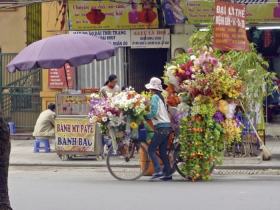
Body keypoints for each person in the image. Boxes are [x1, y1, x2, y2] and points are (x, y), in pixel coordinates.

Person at [144, 77, 172, 181]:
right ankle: (168, 174)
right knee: (162, 151)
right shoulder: (160, 97)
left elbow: (154, 112)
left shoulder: (155, 97)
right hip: (167, 127)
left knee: (151, 149)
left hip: (162, 128)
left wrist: (145, 116)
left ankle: (158, 171)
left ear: (152, 89)